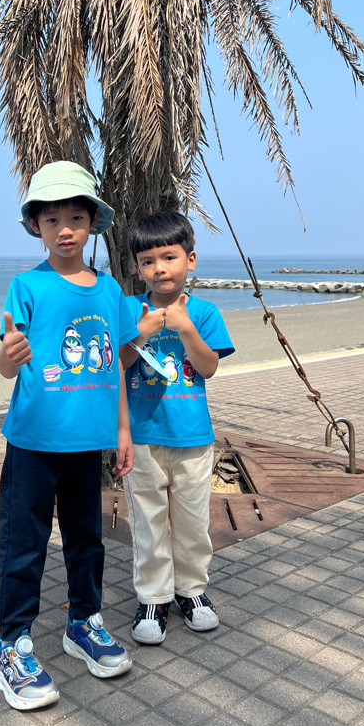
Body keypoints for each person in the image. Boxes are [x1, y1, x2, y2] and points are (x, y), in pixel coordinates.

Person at [0, 161, 139, 711]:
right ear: (36, 226)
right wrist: (9, 356)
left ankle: (84, 622)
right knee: (23, 543)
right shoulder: (27, 285)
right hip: (33, 440)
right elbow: (7, 365)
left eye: (76, 217)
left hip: (87, 442)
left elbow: (119, 362)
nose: (65, 229)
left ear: (94, 222)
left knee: (86, 539)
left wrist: (122, 431)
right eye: (52, 219)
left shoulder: (110, 289)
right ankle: (11, 645)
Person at [119, 212, 235, 644]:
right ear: (137, 268)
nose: (159, 269)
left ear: (190, 259)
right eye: (148, 261)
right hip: (142, 438)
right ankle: (153, 596)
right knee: (147, 523)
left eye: (169, 257)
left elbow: (208, 367)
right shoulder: (130, 309)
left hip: (193, 438)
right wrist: (140, 332)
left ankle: (192, 590)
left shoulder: (204, 312)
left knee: (191, 522)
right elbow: (118, 364)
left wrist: (185, 329)